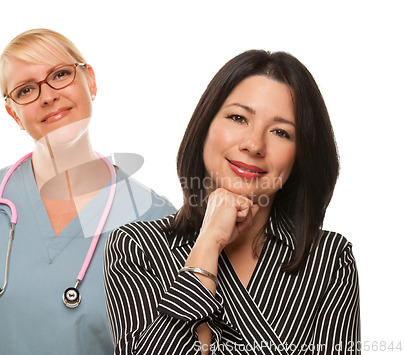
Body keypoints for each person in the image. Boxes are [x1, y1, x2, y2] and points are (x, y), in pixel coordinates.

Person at [0, 28, 175, 355]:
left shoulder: (156, 217)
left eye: (60, 74)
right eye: (25, 90)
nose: (47, 96)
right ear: (13, 113)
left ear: (90, 81)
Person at [104, 50, 360, 354]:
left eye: (281, 132)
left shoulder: (329, 259)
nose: (254, 144)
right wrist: (208, 244)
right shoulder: (136, 247)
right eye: (238, 118)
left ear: (300, 155)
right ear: (205, 127)